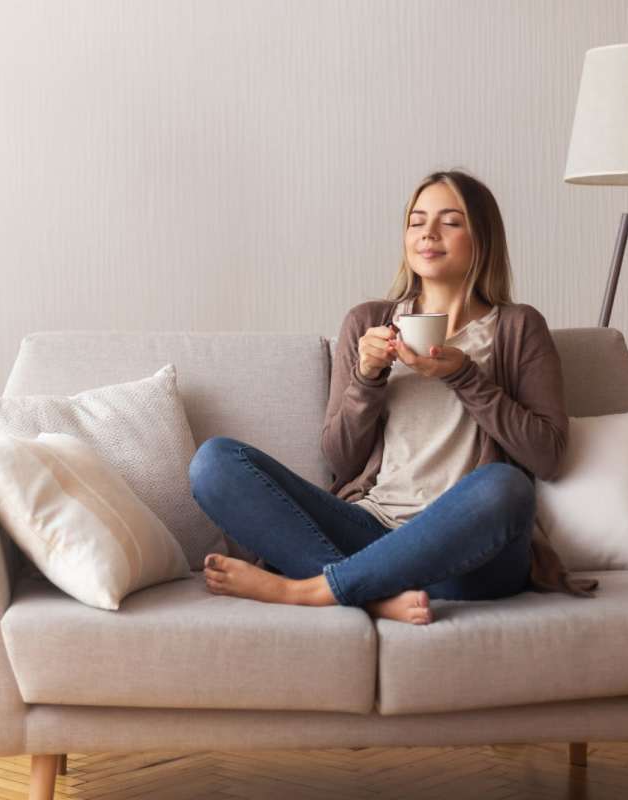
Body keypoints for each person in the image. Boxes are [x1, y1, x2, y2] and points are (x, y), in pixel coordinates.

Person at [187, 169, 598, 626]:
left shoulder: (519, 328)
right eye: (417, 220)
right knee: (215, 462)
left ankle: (310, 589)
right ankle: (373, 595)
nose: (428, 233)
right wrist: (367, 377)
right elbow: (341, 461)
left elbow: (548, 456)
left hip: (468, 557)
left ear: (482, 237)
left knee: (506, 487)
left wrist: (465, 374)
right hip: (371, 533)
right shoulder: (369, 322)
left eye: (451, 221)